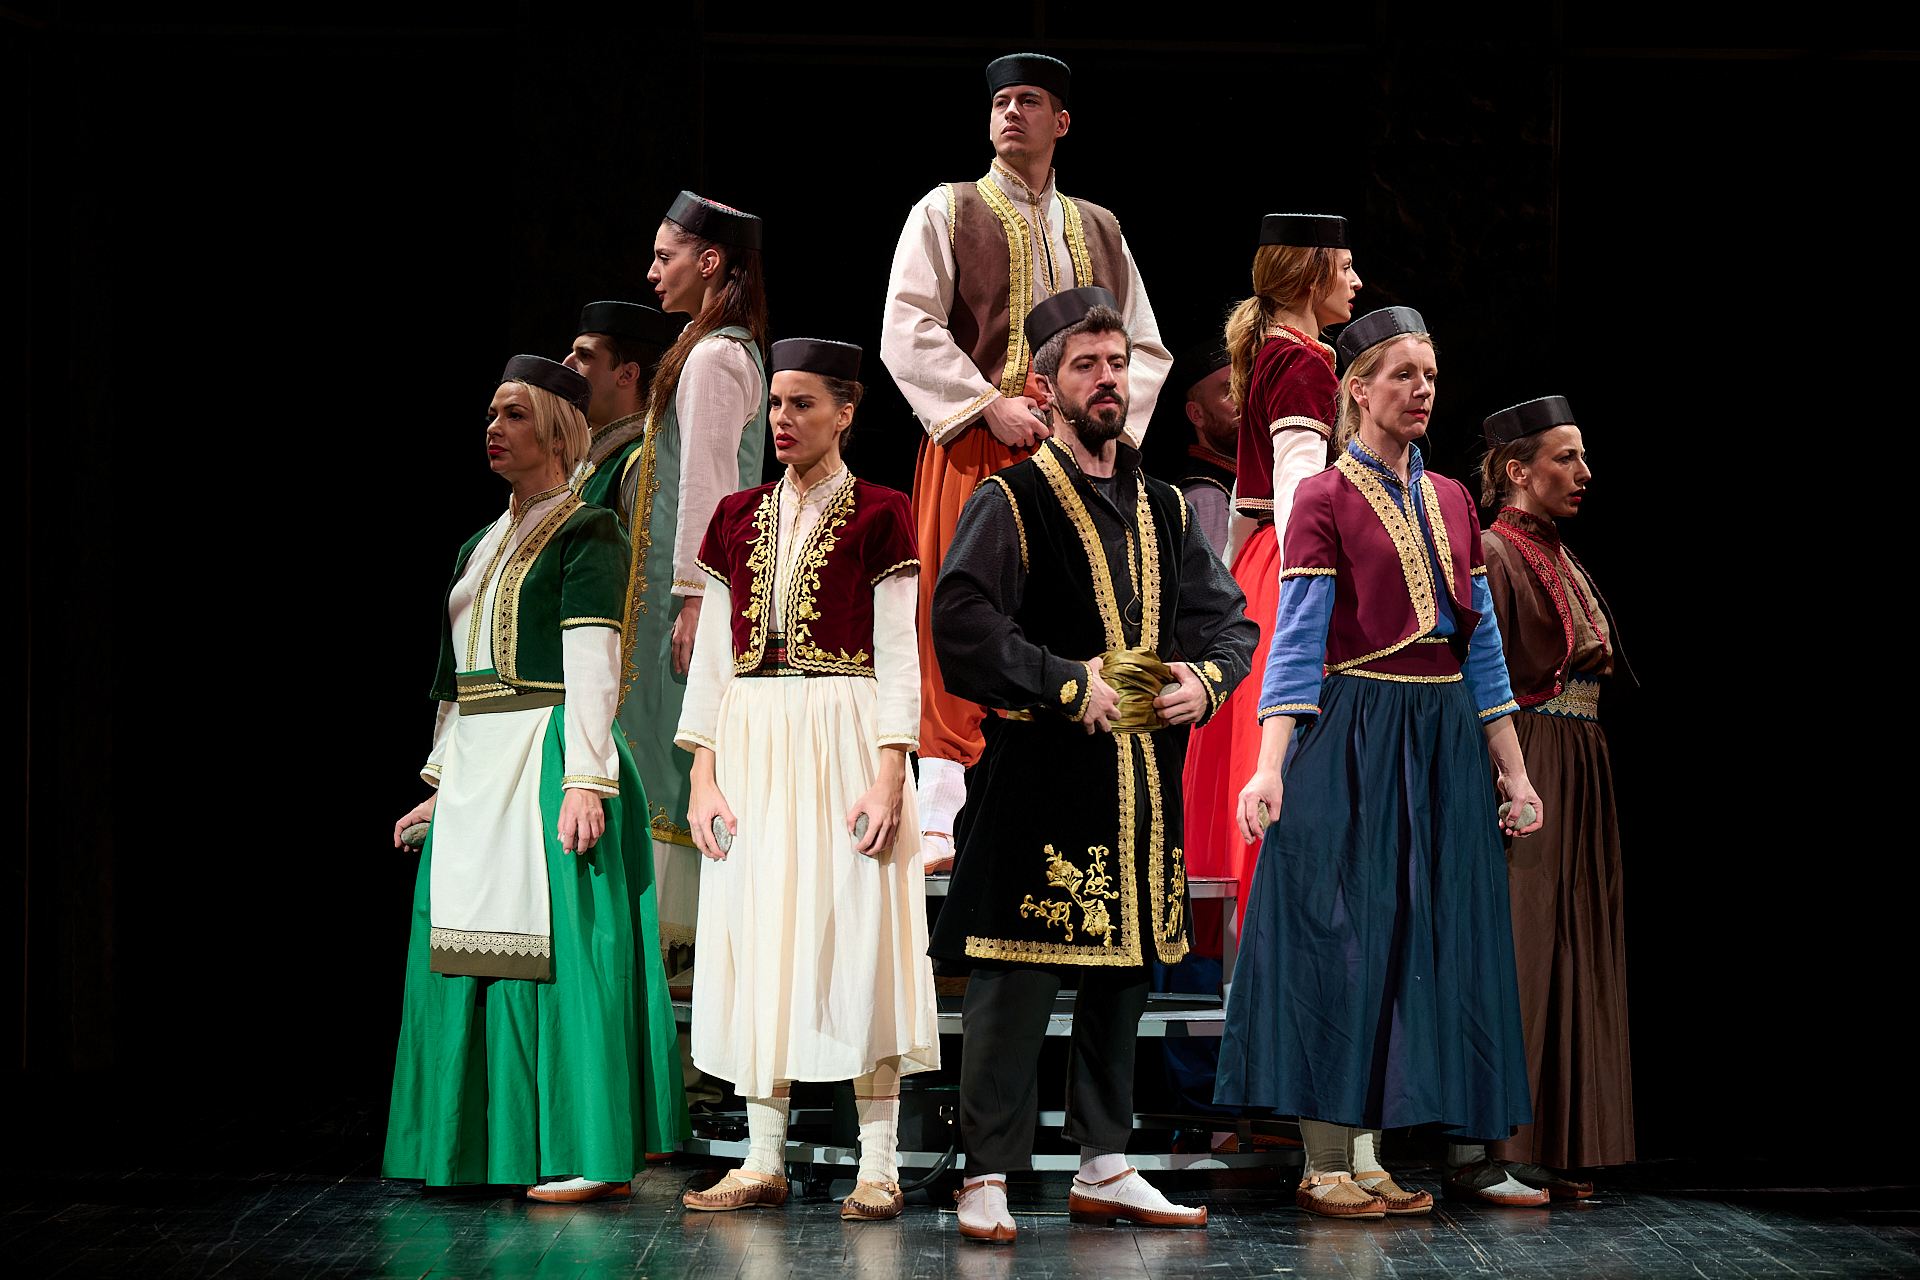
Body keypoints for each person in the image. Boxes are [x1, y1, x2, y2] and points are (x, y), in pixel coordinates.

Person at [929, 287, 1256, 1242]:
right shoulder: (1012, 500)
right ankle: (986, 1173)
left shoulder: (1164, 507)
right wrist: (1067, 682)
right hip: (1041, 777)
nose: (1107, 380)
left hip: (1140, 781)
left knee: (1123, 976)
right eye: (1086, 366)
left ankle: (1106, 1163)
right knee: (1018, 976)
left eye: (1117, 363)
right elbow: (962, 620)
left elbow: (1230, 622)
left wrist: (1206, 679)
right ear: (1045, 386)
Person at [1214, 307, 1544, 1220]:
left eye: (1430, 374)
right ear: (1357, 389)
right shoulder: (1322, 498)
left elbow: (1481, 650)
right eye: (1403, 374)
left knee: (1420, 940)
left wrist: (1513, 771)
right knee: (1341, 940)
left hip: (1440, 735)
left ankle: (1374, 1154)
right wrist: (1270, 766)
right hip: (1356, 728)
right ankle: (1327, 1160)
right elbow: (1295, 644)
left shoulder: (1453, 500)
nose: (1422, 389)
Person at [383, 355, 687, 1203]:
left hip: (550, 752)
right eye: (490, 414)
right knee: (469, 944)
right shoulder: (476, 545)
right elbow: (456, 683)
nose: (494, 428)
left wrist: (586, 778)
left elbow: (594, 661)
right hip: (480, 766)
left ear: (556, 432)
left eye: (513, 414)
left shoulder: (588, 531)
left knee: (565, 952)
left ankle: (588, 1149)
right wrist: (440, 783)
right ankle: (475, 1145)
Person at [880, 51, 1172, 873]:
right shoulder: (949, 209)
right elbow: (908, 323)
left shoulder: (1101, 227)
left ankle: (1068, 791)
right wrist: (987, 403)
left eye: (1030, 101)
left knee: (1073, 613)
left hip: (1079, 454)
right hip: (979, 441)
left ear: (1062, 122)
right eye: (1001, 101)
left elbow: (1144, 344)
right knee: (959, 613)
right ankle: (942, 809)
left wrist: (1107, 430)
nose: (1012, 113)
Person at [672, 338, 940, 1221]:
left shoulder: (883, 511)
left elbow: (899, 651)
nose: (783, 420)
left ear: (845, 413)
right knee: (760, 934)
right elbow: (715, 659)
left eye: (802, 404)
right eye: (777, 405)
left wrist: (890, 771)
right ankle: (762, 1158)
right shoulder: (734, 516)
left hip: (846, 734)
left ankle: (878, 1165)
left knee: (859, 934)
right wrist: (703, 773)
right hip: (753, 735)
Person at [1469, 395, 1636, 1200]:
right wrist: (1502, 779)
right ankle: (1499, 1147)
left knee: (1575, 944)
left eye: (1582, 456)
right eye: (1566, 457)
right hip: (1531, 755)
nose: (1584, 472)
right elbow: (1480, 680)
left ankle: (1558, 1142)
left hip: (1582, 758)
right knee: (1525, 947)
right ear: (1516, 470)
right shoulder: (1495, 553)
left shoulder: (1558, 554)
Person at [1179, 213, 1360, 951]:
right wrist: (1315, 587)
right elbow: (1297, 491)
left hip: (1262, 568)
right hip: (1294, 567)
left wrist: (1229, 588)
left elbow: (1243, 508)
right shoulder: (1304, 361)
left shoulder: (1272, 353)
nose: (1355, 281)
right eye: (1344, 267)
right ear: (1311, 277)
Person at [622, 190, 769, 954]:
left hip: (693, 597)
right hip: (679, 594)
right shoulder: (705, 347)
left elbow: (710, 486)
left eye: (664, 256)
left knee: (675, 748)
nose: (652, 271)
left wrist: (693, 598)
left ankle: (676, 943)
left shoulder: (714, 356)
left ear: (709, 262)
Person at [564, 298, 681, 524]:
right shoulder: (578, 458)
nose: (566, 365)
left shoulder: (642, 462)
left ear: (627, 374)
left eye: (585, 355)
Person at [1171, 339, 1238, 558]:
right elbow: (1221, 578)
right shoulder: (1206, 496)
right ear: (1197, 414)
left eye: (1245, 387)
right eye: (1230, 391)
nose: (1244, 400)